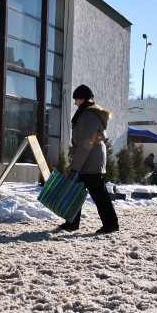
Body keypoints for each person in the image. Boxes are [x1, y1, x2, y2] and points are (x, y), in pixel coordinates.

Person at [59, 84, 119, 234]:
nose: (75, 103)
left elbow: (86, 143)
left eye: (76, 99)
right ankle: (72, 222)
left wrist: (75, 167)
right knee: (76, 191)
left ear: (83, 99)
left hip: (89, 162)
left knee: (99, 194)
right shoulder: (87, 113)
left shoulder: (87, 116)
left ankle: (111, 225)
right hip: (89, 160)